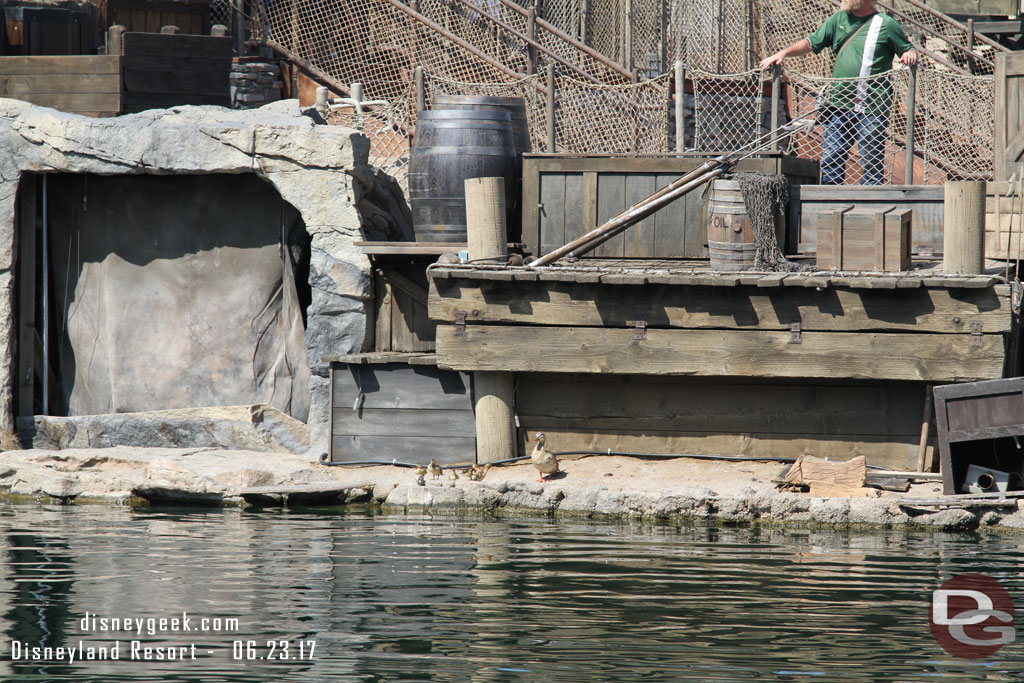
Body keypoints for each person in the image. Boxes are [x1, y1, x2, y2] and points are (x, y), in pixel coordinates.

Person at [759, 0, 917, 185]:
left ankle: (870, 206)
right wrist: (783, 53)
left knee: (871, 164)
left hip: (872, 107)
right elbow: (811, 42)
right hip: (837, 104)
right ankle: (830, 204)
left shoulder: (885, 23)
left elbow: (907, 48)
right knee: (832, 158)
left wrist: (909, 54)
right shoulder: (838, 19)